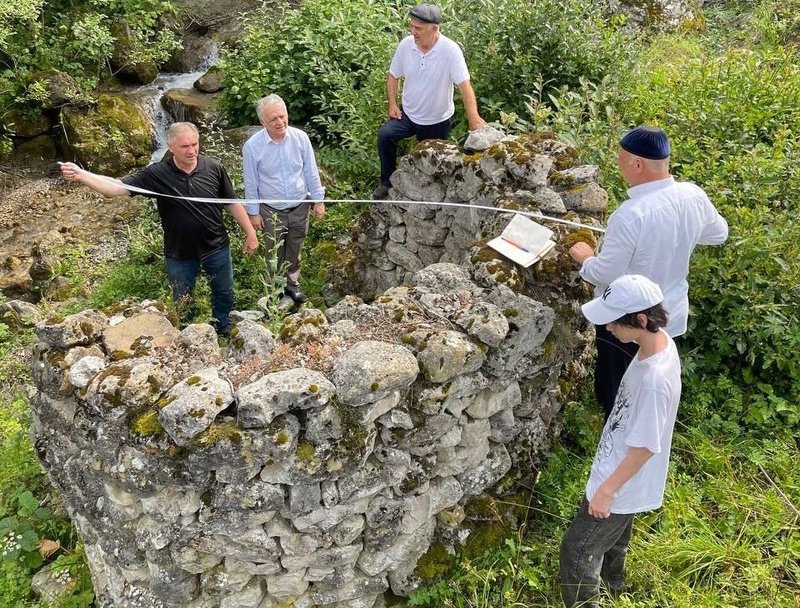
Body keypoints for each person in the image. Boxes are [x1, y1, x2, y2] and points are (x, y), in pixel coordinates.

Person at [569, 125, 728, 420]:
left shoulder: (630, 215)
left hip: (626, 318)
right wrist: (681, 234)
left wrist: (586, 258)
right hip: (669, 313)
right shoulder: (693, 195)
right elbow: (719, 234)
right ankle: (651, 426)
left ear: (638, 164)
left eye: (620, 159)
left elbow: (605, 273)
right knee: (654, 379)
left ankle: (618, 434)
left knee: (618, 391)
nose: (618, 165)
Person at [60, 122, 258, 336]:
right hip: (179, 253)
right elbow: (115, 188)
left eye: (195, 144)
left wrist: (250, 233)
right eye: (185, 146)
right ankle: (187, 334)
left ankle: (223, 326)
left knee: (224, 291)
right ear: (170, 147)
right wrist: (82, 175)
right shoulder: (157, 173)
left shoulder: (213, 167)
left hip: (216, 246)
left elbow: (231, 202)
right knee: (183, 298)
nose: (191, 151)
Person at [559, 274, 681, 608]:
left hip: (618, 481)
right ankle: (614, 587)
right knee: (613, 541)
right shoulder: (660, 343)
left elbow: (645, 447)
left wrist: (606, 491)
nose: (608, 328)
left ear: (641, 320)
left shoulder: (654, 380)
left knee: (577, 551)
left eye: (614, 321)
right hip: (623, 476)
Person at [373, 2, 486, 199]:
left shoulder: (450, 51)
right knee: (385, 136)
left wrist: (474, 118)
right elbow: (393, 76)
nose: (413, 32)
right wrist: (392, 104)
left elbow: (465, 86)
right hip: (408, 114)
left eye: (418, 28)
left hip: (437, 121)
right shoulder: (406, 45)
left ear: (434, 28)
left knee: (432, 162)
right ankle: (386, 182)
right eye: (411, 26)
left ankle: (430, 197)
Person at [243, 94, 325, 305]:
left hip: (300, 206)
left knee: (295, 248)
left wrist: (318, 200)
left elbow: (311, 171)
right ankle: (275, 289)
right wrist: (253, 213)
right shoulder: (252, 146)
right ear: (263, 122)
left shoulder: (300, 138)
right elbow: (251, 182)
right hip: (271, 209)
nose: (280, 122)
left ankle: (292, 286)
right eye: (274, 119)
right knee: (274, 252)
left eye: (282, 116)